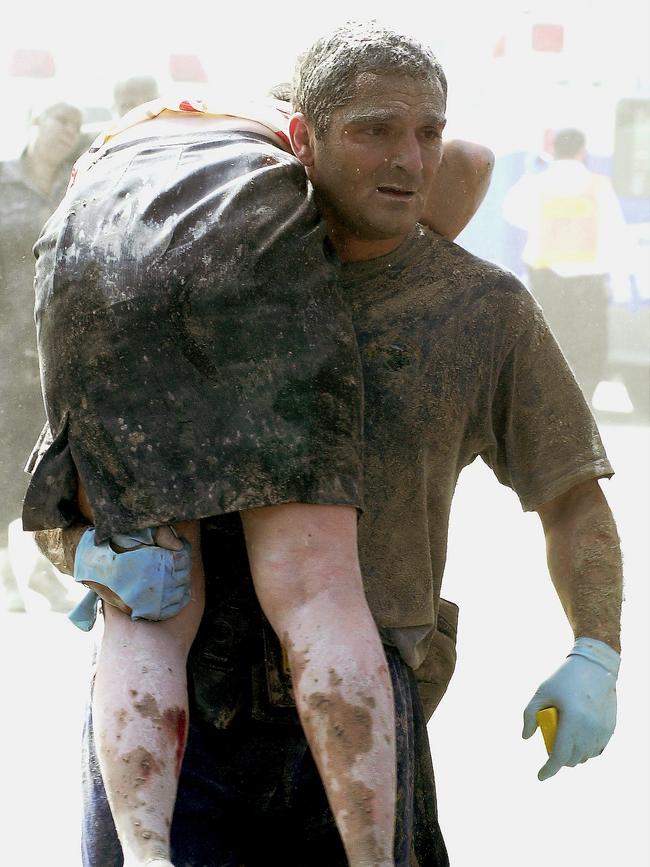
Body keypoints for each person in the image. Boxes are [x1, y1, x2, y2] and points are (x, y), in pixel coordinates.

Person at [31, 19, 622, 867]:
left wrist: (594, 649)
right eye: (373, 130)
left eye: (427, 133)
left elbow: (572, 498)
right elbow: (75, 480)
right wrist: (89, 553)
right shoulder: (194, 274)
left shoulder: (477, 311)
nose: (407, 161)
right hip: (180, 730)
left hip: (362, 728)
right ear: (300, 142)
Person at [0, 98, 82, 613]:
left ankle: (41, 566)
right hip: (4, 344)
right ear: (34, 122)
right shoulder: (4, 182)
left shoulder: (75, 185)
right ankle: (8, 576)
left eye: (74, 126)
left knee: (48, 459)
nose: (66, 132)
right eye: (59, 121)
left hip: (53, 343)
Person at [502, 127, 629, 404]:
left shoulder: (538, 183)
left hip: (547, 282)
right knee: (590, 351)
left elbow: (512, 213)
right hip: (588, 285)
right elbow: (615, 235)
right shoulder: (598, 186)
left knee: (550, 348)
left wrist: (531, 172)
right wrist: (619, 285)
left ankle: (551, 405)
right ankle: (582, 407)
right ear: (582, 151)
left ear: (554, 150)